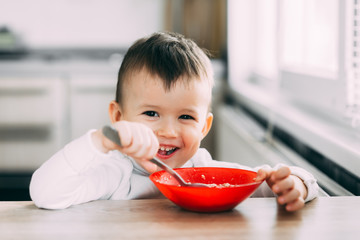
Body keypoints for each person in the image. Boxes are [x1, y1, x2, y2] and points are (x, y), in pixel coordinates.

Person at [30, 32, 319, 211]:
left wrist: (295, 184)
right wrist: (101, 140)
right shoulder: (115, 173)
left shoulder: (204, 173)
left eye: (185, 117)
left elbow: (266, 181)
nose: (168, 131)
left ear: (204, 128)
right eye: (151, 114)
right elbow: (45, 193)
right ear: (119, 118)